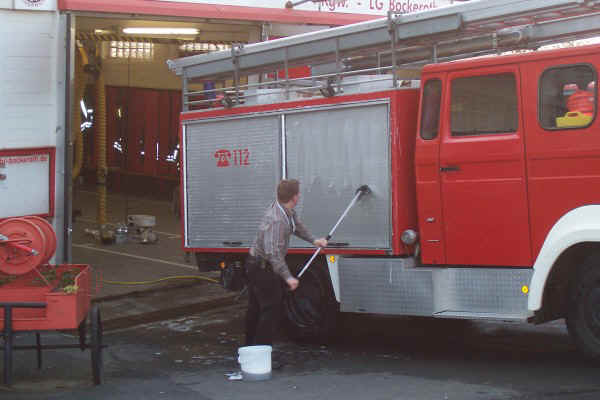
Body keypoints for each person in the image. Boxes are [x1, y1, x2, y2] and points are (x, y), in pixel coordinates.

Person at [245, 179, 328, 347]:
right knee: (270, 308)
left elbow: (297, 226)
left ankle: (250, 348)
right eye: (298, 193)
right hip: (261, 267)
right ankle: (260, 350)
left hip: (260, 264)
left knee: (258, 307)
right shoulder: (277, 220)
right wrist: (288, 277)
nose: (299, 196)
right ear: (294, 197)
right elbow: (274, 254)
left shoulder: (285, 211)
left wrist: (314, 240)